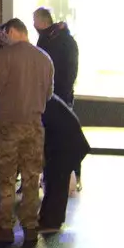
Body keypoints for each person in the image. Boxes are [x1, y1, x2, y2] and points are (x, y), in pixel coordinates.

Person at [0, 19, 55, 245]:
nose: (2, 38)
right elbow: (49, 94)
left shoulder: (6, 55)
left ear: (11, 31)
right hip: (35, 126)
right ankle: (30, 227)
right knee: (32, 178)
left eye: (3, 34)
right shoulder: (45, 58)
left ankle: (4, 227)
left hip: (8, 126)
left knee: (6, 177)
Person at [38, 94, 89, 232]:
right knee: (54, 180)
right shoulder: (45, 98)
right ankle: (49, 220)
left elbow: (42, 132)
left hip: (67, 146)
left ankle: (51, 222)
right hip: (68, 144)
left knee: (56, 181)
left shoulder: (40, 101)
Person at [33, 8, 79, 105]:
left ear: (44, 22)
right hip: (62, 95)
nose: (34, 25)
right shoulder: (65, 39)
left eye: (35, 21)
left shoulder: (47, 41)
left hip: (55, 95)